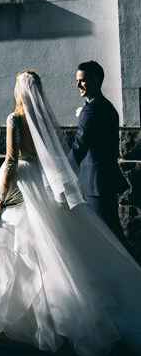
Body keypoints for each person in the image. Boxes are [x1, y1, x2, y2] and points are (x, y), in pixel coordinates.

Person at [0, 71, 141, 356]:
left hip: (24, 183)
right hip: (42, 182)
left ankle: (42, 318)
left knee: (25, 249)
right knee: (53, 247)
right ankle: (59, 311)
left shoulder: (14, 119)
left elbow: (11, 160)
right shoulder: (42, 119)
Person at [69, 60, 127, 240]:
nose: (78, 84)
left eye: (83, 80)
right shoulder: (106, 106)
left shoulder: (92, 110)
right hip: (102, 181)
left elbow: (79, 145)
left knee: (108, 236)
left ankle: (130, 268)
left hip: (96, 184)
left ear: (95, 80)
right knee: (108, 234)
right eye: (77, 80)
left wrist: (62, 171)